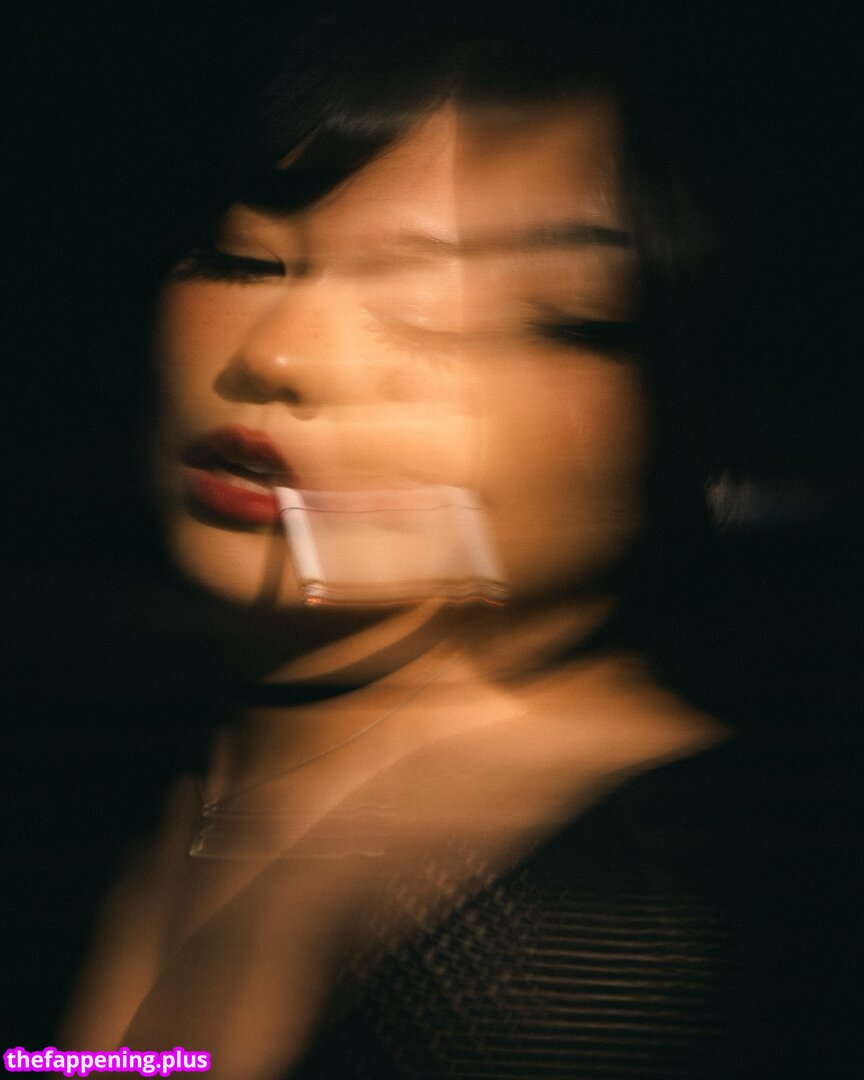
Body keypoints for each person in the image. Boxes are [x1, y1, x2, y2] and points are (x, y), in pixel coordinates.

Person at [55, 2, 850, 1077]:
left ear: (687, 404)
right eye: (242, 259)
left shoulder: (651, 941)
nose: (282, 355)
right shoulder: (95, 775)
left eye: (468, 311)